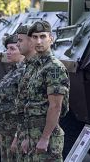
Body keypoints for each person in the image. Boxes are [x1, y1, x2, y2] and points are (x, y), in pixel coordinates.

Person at [23, 21, 70, 161]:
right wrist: (26, 136)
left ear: (51, 38)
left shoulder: (54, 67)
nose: (39, 41)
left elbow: (55, 106)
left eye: (43, 36)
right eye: (35, 37)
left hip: (47, 134)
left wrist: (45, 137)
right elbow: (29, 102)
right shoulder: (34, 65)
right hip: (32, 132)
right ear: (30, 40)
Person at [0, 34, 25, 162]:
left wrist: (18, 136)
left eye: (12, 49)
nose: (8, 52)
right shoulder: (12, 71)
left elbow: (26, 107)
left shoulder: (25, 72)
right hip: (6, 132)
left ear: (22, 50)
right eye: (7, 49)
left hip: (16, 134)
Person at [14, 25, 37, 161]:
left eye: (20, 40)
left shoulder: (42, 68)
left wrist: (32, 137)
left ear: (31, 42)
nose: (17, 44)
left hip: (36, 134)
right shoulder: (26, 66)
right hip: (25, 132)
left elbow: (55, 108)